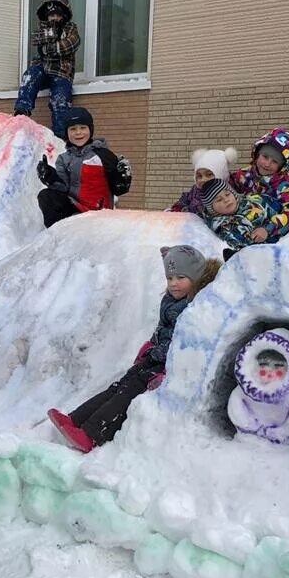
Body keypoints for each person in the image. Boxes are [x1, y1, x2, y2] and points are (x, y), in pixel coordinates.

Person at [48, 245, 221, 452]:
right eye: (169, 278)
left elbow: (187, 340)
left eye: (180, 277)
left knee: (130, 390)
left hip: (171, 366)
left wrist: (161, 357)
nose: (173, 284)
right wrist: (150, 345)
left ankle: (93, 434)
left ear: (197, 277)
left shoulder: (198, 306)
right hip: (157, 356)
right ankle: (76, 419)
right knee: (121, 384)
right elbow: (163, 329)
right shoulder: (172, 300)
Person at [35, 107, 132, 228]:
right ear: (67, 133)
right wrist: (50, 176)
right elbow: (62, 187)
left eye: (83, 127)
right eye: (73, 129)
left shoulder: (103, 154)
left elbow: (119, 189)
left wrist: (123, 178)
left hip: (99, 213)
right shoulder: (63, 159)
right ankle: (57, 235)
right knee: (46, 196)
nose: (78, 132)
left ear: (90, 129)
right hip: (75, 208)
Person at [13, 0, 81, 137]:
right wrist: (47, 43)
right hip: (43, 68)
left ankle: (61, 136)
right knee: (30, 76)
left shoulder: (70, 28)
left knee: (60, 101)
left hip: (61, 72)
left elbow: (71, 43)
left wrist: (50, 49)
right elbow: (36, 42)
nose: (54, 18)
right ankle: (22, 110)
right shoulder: (42, 30)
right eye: (51, 15)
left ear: (64, 15)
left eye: (57, 15)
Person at [167, 148, 240, 216]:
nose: (203, 179)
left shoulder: (230, 193)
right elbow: (183, 203)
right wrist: (175, 212)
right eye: (199, 176)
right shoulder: (195, 191)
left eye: (209, 174)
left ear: (221, 174)